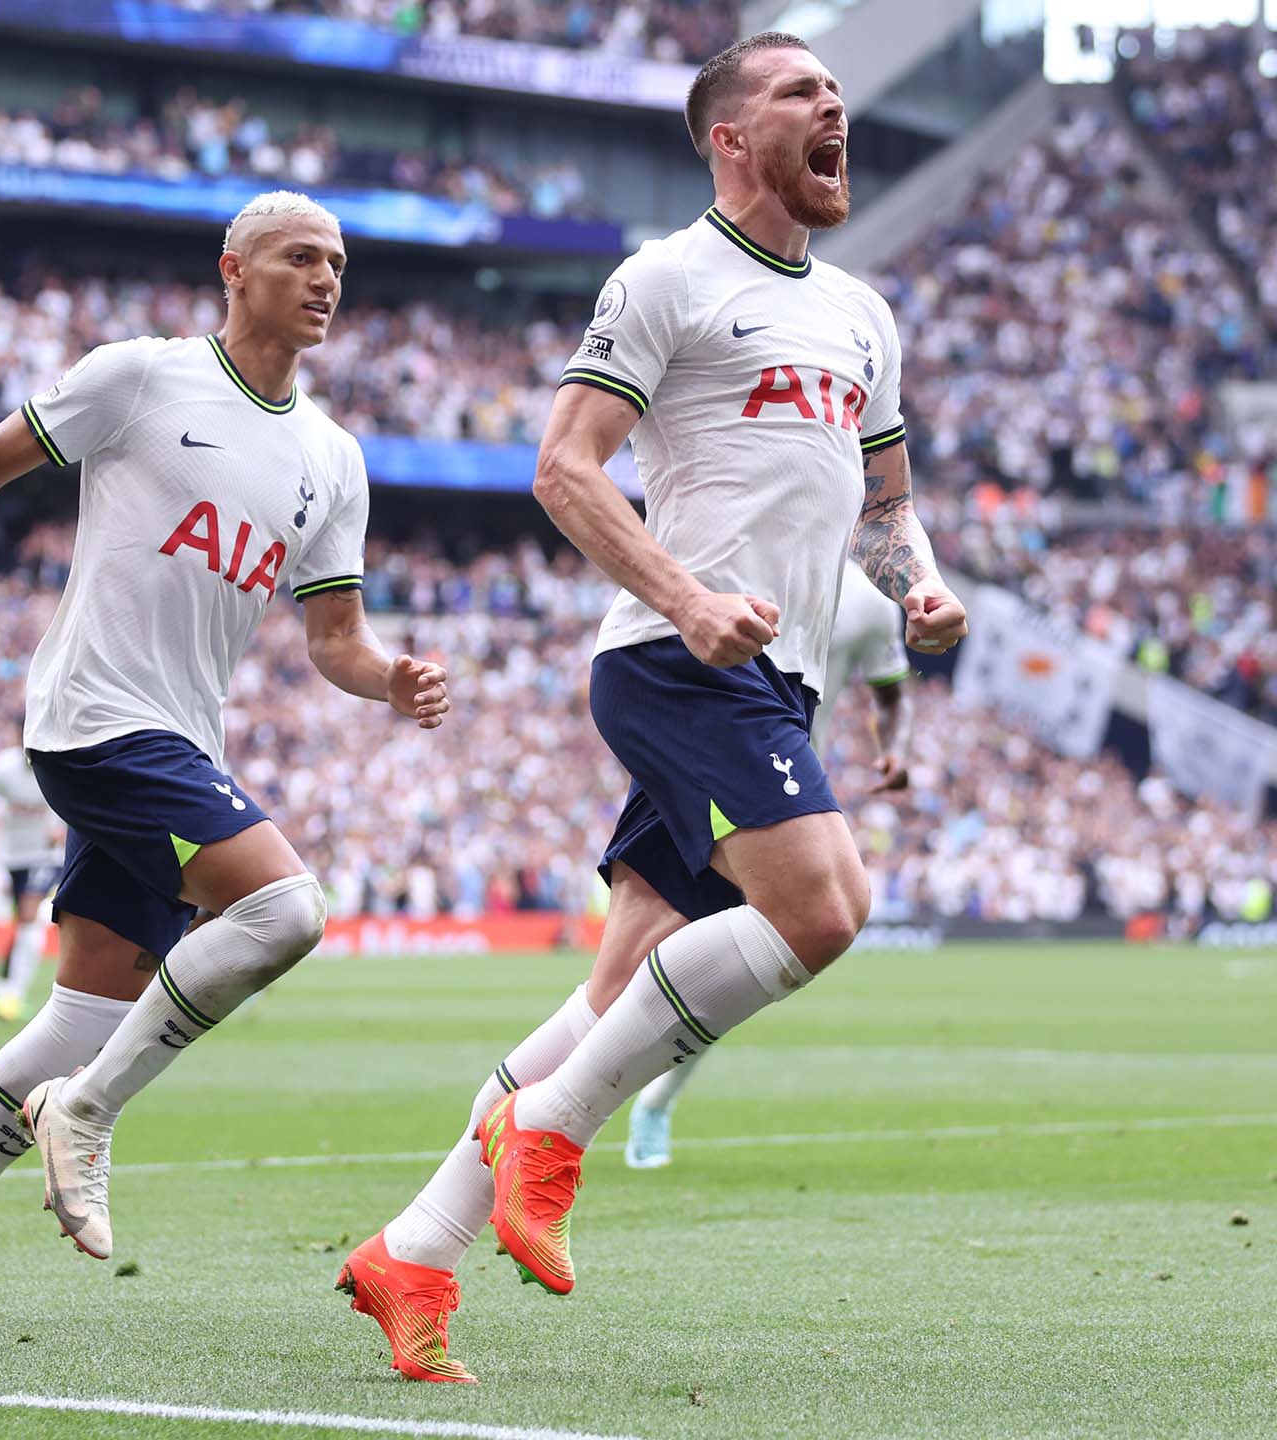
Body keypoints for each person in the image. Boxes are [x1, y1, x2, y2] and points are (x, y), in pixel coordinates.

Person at [332, 32, 966, 1382]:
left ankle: (411, 1253)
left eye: (836, 93)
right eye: (801, 92)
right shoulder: (667, 280)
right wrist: (684, 597)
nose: (833, 107)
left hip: (775, 677)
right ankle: (550, 1128)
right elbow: (563, 467)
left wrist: (921, 588)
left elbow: (891, 505)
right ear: (731, 136)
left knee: (622, 984)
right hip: (680, 663)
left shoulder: (862, 315)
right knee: (825, 909)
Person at [0, 191, 450, 1322]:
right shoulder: (140, 377)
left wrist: (391, 675)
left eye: (339, 264)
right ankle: (88, 1111)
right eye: (300, 258)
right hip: (94, 721)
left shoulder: (332, 456)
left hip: (176, 733)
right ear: (234, 269)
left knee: (79, 1018)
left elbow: (335, 640)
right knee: (288, 910)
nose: (325, 280)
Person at [623, 560, 915, 1168]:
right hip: (700, 748)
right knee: (650, 943)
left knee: (723, 958)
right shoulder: (743, 549)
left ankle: (627, 1105)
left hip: (781, 782)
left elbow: (890, 688)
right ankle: (555, 1112)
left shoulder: (864, 600)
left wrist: (895, 749)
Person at [0, 745, 66, 1023]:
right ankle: (2, 987)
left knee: (28, 915)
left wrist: (65, 833)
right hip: (12, 856)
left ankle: (13, 993)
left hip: (45, 855)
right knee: (23, 924)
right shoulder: (3, 768)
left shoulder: (54, 764)